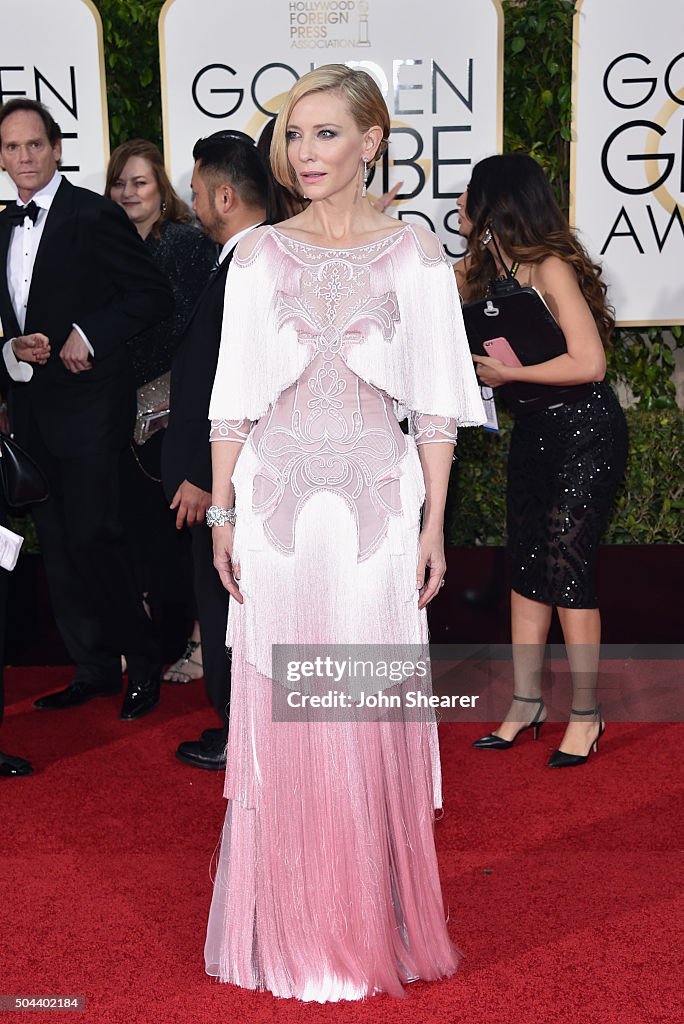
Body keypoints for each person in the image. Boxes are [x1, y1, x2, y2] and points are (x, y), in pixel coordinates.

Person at [204, 65, 484, 1000]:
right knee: (286, 717)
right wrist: (222, 510)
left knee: (358, 713)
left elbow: (439, 409)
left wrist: (434, 527)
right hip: (280, 512)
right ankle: (292, 930)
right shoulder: (255, 255)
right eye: (293, 134)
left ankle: (367, 926)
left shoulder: (415, 255)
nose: (304, 153)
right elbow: (232, 404)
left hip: (374, 509)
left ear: (372, 140)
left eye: (326, 134)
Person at [0, 98, 173, 722]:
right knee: (61, 548)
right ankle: (93, 668)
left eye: (34, 145)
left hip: (93, 409)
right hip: (32, 412)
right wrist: (11, 348)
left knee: (98, 537)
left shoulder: (94, 214)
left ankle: (143, 664)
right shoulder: (1, 227)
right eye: (12, 147)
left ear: (56, 149)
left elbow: (150, 296)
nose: (24, 157)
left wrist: (90, 333)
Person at [455, 153, 628, 767]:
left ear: (495, 206)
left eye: (468, 199)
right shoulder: (481, 273)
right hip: (534, 433)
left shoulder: (550, 266)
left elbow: (590, 363)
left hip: (586, 432)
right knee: (527, 566)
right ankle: (526, 701)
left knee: (567, 569)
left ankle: (586, 714)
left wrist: (511, 373)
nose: (459, 210)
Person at [162, 132, 270, 769]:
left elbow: (239, 382)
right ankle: (240, 730)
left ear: (225, 196)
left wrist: (207, 479)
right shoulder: (241, 261)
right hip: (225, 478)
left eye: (198, 192)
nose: (193, 202)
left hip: (227, 484)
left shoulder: (251, 267)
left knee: (229, 604)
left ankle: (243, 737)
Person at [105, 139, 215, 684]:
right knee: (141, 534)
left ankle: (199, 644)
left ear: (162, 191)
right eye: (120, 183)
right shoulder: (103, 246)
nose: (128, 192)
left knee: (187, 531)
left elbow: (198, 328)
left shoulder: (187, 245)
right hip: (119, 416)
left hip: (179, 411)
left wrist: (172, 396)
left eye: (140, 182)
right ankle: (151, 641)